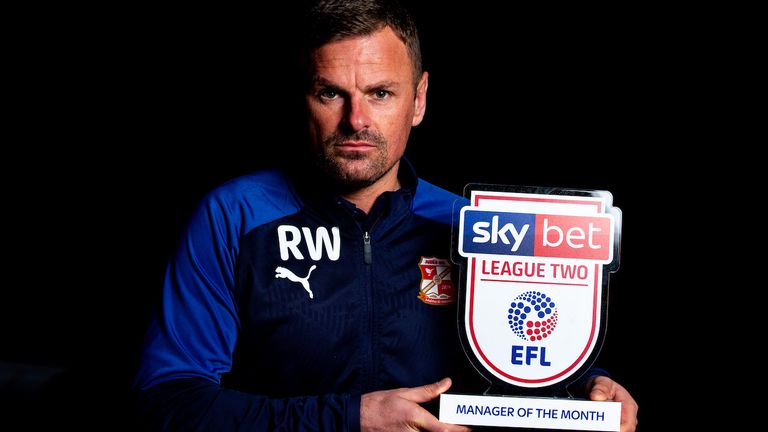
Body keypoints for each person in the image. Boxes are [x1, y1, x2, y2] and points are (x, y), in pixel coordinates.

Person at [133, 0, 639, 430]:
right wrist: (348, 418)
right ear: (302, 99)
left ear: (417, 100)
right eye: (330, 92)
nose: (356, 120)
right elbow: (168, 400)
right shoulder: (235, 215)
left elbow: (529, 375)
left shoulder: (477, 227)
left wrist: (591, 394)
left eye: (380, 93)